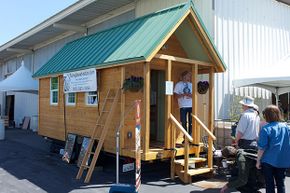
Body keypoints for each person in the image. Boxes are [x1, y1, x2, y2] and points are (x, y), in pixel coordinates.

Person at [256, 105, 290, 193]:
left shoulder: (266, 129)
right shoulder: (286, 127)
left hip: (268, 160)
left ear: (266, 116)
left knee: (269, 184)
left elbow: (262, 147)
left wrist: (258, 160)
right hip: (282, 160)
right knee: (280, 183)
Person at [174, 70, 192, 135]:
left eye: (189, 76)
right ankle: (185, 137)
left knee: (191, 122)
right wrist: (183, 94)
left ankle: (190, 136)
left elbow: (194, 96)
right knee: (183, 122)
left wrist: (189, 95)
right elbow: (175, 96)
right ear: (183, 76)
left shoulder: (191, 85)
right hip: (183, 106)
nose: (188, 77)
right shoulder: (178, 84)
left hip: (191, 106)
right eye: (187, 76)